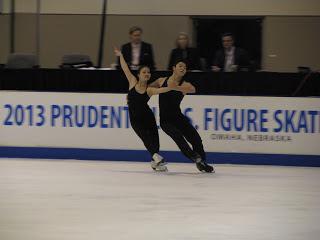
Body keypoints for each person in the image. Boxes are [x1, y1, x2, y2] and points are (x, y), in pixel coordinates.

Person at [114, 47, 181, 171]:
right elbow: (125, 68)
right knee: (145, 138)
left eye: (148, 73)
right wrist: (120, 55)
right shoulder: (132, 82)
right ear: (139, 74)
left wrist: (171, 87)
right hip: (135, 120)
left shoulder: (149, 89)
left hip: (148, 117)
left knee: (155, 141)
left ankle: (154, 162)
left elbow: (161, 90)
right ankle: (156, 157)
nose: (147, 74)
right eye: (144, 72)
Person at [150, 60, 214, 173]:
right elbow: (148, 88)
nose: (183, 68)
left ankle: (202, 163)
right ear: (174, 68)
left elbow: (193, 89)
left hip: (178, 118)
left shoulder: (185, 85)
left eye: (185, 67)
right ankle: (194, 156)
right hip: (166, 121)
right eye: (180, 66)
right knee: (178, 136)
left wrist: (175, 87)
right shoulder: (161, 81)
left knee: (196, 139)